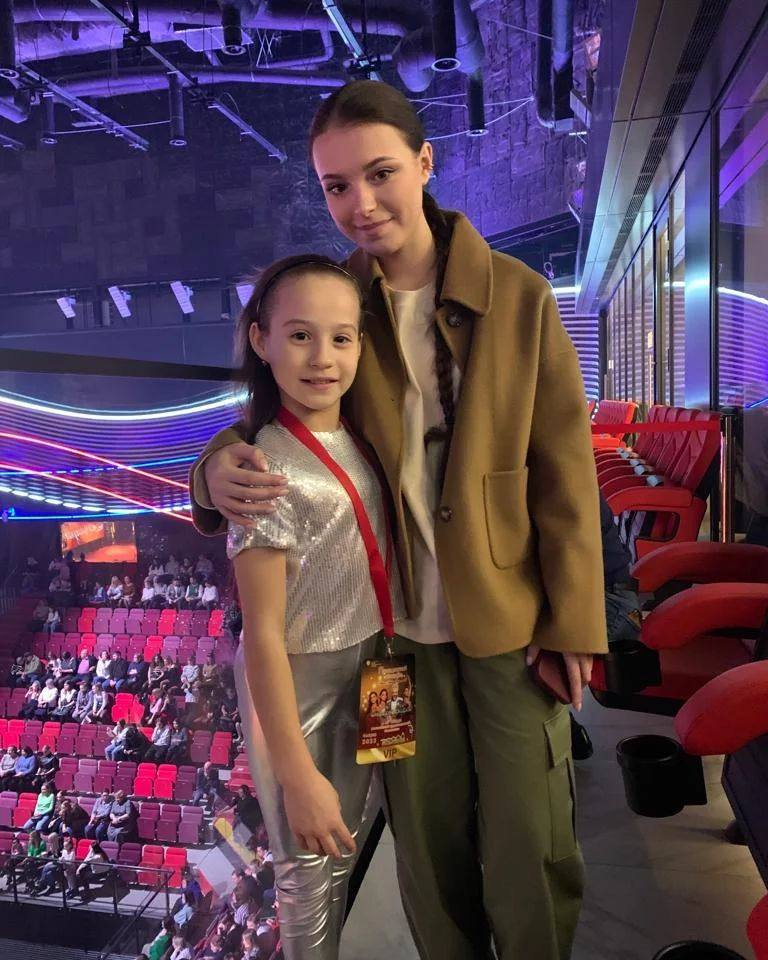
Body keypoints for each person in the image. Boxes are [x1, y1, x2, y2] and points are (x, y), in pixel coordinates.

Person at [188, 80, 607, 960]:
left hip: (508, 619)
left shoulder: (518, 296)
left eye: (380, 173)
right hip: (395, 642)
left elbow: (565, 472)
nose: (362, 203)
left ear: (425, 162)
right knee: (426, 846)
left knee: (529, 841)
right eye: (337, 186)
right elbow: (281, 414)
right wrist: (212, 466)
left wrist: (574, 621)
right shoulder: (338, 302)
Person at [214, 252, 406, 960]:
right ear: (261, 341)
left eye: (341, 337)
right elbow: (262, 635)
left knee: (352, 838)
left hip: (379, 661)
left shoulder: (359, 435)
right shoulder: (262, 468)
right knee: (305, 871)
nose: (322, 357)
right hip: (300, 683)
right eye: (299, 335)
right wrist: (293, 775)